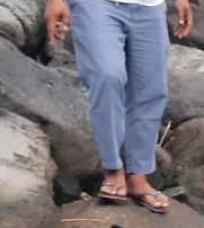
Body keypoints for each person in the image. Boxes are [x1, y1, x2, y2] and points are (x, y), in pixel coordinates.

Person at [44, 0, 192, 213]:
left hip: (150, 8)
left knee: (150, 89)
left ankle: (138, 177)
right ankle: (113, 169)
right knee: (107, 77)